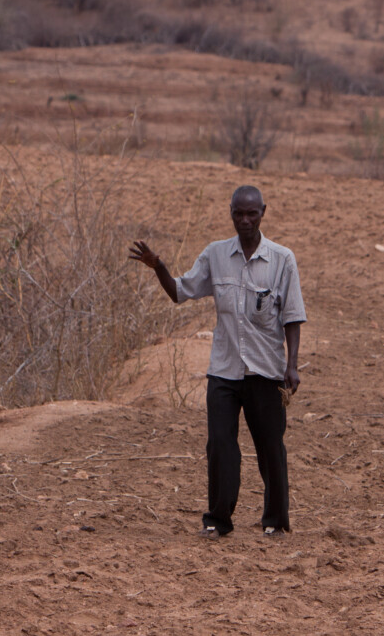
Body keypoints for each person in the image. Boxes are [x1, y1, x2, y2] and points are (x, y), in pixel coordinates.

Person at [129, 185, 305, 538]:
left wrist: (292, 365)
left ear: (263, 213)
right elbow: (180, 292)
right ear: (231, 213)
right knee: (220, 446)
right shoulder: (216, 255)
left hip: (266, 371)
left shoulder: (282, 259)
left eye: (251, 213)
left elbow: (292, 316)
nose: (245, 220)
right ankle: (218, 520)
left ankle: (275, 521)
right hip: (224, 371)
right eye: (238, 213)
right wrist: (158, 266)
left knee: (271, 447)